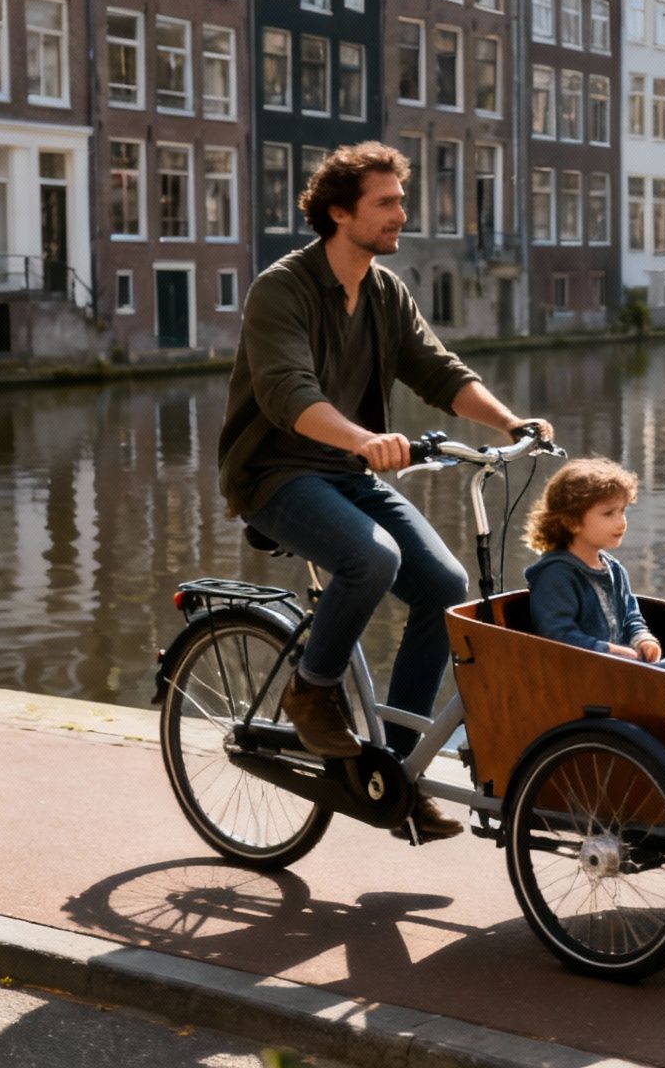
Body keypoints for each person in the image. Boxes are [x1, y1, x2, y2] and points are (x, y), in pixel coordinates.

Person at [217, 141, 551, 841]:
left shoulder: (383, 292)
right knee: (373, 559)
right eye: (387, 202)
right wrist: (364, 439)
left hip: (345, 471)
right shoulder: (282, 289)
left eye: (401, 200)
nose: (403, 213)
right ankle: (311, 692)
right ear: (340, 213)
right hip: (275, 473)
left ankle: (392, 772)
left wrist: (512, 420)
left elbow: (436, 369)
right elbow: (285, 393)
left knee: (445, 582)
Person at [521, 458, 665, 677]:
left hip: (614, 673)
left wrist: (642, 639)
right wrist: (609, 651)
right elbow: (557, 636)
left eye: (622, 511)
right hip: (581, 680)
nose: (622, 522)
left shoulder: (614, 569)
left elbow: (631, 617)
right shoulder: (556, 575)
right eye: (608, 514)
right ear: (571, 522)